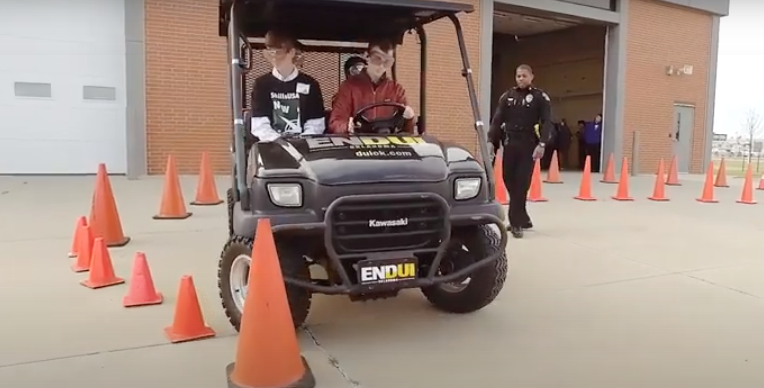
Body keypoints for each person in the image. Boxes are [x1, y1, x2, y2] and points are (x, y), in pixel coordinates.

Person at [488, 64, 552, 238]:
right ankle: (523, 216)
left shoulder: (539, 97)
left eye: (524, 75)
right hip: (510, 144)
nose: (521, 79)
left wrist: (543, 144)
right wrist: (490, 141)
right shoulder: (507, 96)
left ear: (532, 76)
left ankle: (515, 223)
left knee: (521, 183)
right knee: (508, 179)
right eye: (518, 76)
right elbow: (497, 120)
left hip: (528, 145)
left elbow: (547, 122)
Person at [250, 30, 326, 141]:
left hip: (304, 147)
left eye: (278, 53)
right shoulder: (261, 84)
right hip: (271, 147)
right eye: (270, 53)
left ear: (291, 53)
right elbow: (260, 124)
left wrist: (302, 141)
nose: (274, 57)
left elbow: (316, 123)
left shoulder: (310, 84)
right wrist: (279, 142)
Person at [329, 38, 415, 134]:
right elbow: (335, 123)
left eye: (387, 62)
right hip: (357, 143)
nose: (381, 66)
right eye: (377, 59)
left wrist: (409, 119)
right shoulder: (349, 87)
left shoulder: (396, 90)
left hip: (388, 143)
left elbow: (407, 130)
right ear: (367, 57)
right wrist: (347, 126)